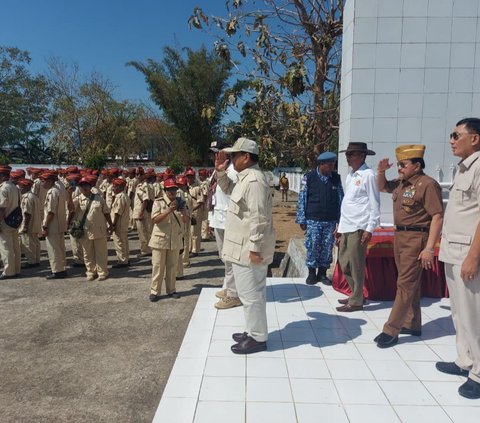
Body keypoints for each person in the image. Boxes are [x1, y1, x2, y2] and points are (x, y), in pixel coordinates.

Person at [374, 145, 443, 348]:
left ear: (417, 165)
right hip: (400, 237)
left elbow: (437, 217)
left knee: (404, 285)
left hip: (416, 238)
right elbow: (382, 187)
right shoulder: (402, 184)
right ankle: (412, 323)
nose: (400, 168)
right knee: (410, 283)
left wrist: (429, 248)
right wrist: (380, 171)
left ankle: (391, 329)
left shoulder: (427, 184)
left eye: (403, 164)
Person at [215, 137, 276, 354]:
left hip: (247, 250)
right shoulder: (244, 178)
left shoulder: (254, 181)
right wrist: (221, 172)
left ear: (246, 157)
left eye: (234, 155)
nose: (230, 159)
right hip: (240, 248)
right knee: (248, 294)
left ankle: (258, 338)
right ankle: (252, 331)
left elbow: (260, 218)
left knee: (251, 296)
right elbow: (227, 189)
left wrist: (255, 248)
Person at [437, 118, 480, 399]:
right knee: (458, 311)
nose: (452, 140)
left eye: (456, 135)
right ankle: (465, 360)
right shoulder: (465, 168)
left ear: (474, 138)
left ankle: (478, 372)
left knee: (474, 314)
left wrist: (473, 258)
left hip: (468, 254)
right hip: (453, 250)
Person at [336, 142, 380, 312]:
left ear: (362, 156)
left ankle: (356, 300)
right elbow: (348, 203)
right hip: (346, 225)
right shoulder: (350, 175)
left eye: (352, 154)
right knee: (344, 262)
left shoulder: (368, 175)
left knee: (356, 264)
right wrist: (339, 227)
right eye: (347, 154)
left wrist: (369, 228)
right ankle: (356, 294)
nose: (348, 157)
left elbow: (374, 203)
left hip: (359, 226)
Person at [296, 152, 344, 285]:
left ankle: (322, 273)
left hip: (330, 220)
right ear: (322, 164)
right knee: (313, 245)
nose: (332, 167)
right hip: (313, 220)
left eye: (333, 164)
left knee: (327, 247)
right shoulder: (309, 177)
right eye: (330, 164)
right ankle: (312, 273)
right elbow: (302, 198)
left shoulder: (336, 178)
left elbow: (341, 199)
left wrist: (342, 221)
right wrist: (301, 218)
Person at [208, 140, 241, 310]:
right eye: (214, 152)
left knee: (230, 258)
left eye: (219, 151)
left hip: (228, 220)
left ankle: (234, 294)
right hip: (218, 219)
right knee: (224, 257)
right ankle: (229, 288)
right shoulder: (218, 170)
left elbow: (231, 193)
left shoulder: (233, 171)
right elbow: (213, 195)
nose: (216, 154)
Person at [148, 178, 188, 302]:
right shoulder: (158, 202)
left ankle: (171, 289)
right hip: (160, 239)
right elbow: (155, 219)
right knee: (158, 266)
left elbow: (186, 220)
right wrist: (169, 210)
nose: (172, 192)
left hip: (174, 239)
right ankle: (154, 291)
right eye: (169, 190)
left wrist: (184, 212)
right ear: (165, 190)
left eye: (174, 189)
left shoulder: (181, 202)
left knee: (172, 266)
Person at [70, 177, 113, 281]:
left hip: (99, 229)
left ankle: (102, 272)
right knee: (87, 252)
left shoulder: (99, 198)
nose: (84, 187)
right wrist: (68, 194)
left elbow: (106, 212)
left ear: (90, 187)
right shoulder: (78, 199)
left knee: (101, 252)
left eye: (86, 185)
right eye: (81, 185)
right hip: (85, 229)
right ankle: (90, 272)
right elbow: (70, 209)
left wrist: (111, 225)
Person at [41, 171, 68, 279]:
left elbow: (50, 212)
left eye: (44, 181)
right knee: (60, 247)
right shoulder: (58, 190)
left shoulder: (52, 192)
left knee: (53, 248)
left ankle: (57, 271)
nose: (42, 183)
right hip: (59, 223)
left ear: (50, 181)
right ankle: (62, 268)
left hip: (53, 224)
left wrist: (45, 226)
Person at [0, 166, 21, 279]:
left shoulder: (3, 189)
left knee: (6, 247)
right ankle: (16, 269)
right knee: (15, 247)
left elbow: (2, 208)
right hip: (14, 220)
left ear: (3, 176)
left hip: (5, 220)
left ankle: (8, 272)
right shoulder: (14, 187)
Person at [18, 178, 41, 268]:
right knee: (35, 242)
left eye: (21, 187)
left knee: (28, 244)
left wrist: (25, 226)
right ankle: (36, 260)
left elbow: (27, 213)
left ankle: (31, 262)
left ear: (26, 187)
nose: (20, 189)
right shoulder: (34, 196)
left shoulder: (27, 197)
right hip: (35, 223)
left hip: (29, 224)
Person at [111, 178, 131, 268]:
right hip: (124, 223)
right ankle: (126, 259)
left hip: (119, 223)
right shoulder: (125, 196)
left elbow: (117, 212)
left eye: (114, 186)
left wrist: (113, 224)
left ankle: (122, 261)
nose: (113, 188)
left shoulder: (120, 197)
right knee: (124, 242)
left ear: (120, 187)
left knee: (119, 243)